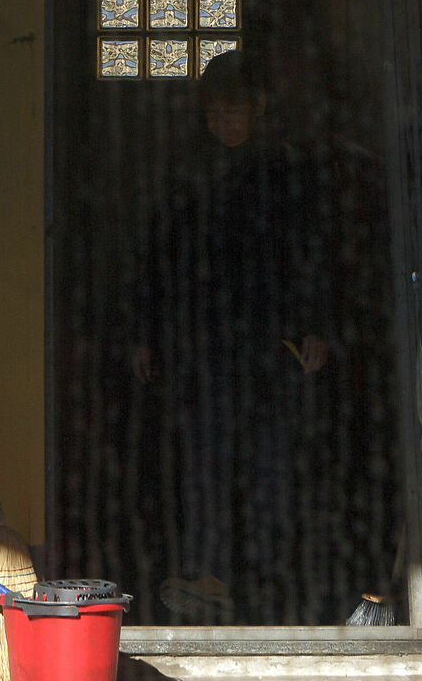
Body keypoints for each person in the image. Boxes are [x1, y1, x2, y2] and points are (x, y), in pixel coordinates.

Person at [130, 51, 337, 621]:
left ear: (259, 108)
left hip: (273, 344)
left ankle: (273, 579)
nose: (224, 123)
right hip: (202, 344)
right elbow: (159, 257)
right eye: (215, 112)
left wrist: (316, 326)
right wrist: (146, 334)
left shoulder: (285, 172)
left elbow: (310, 253)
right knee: (206, 461)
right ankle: (210, 574)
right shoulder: (187, 174)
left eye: (234, 111)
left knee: (272, 463)